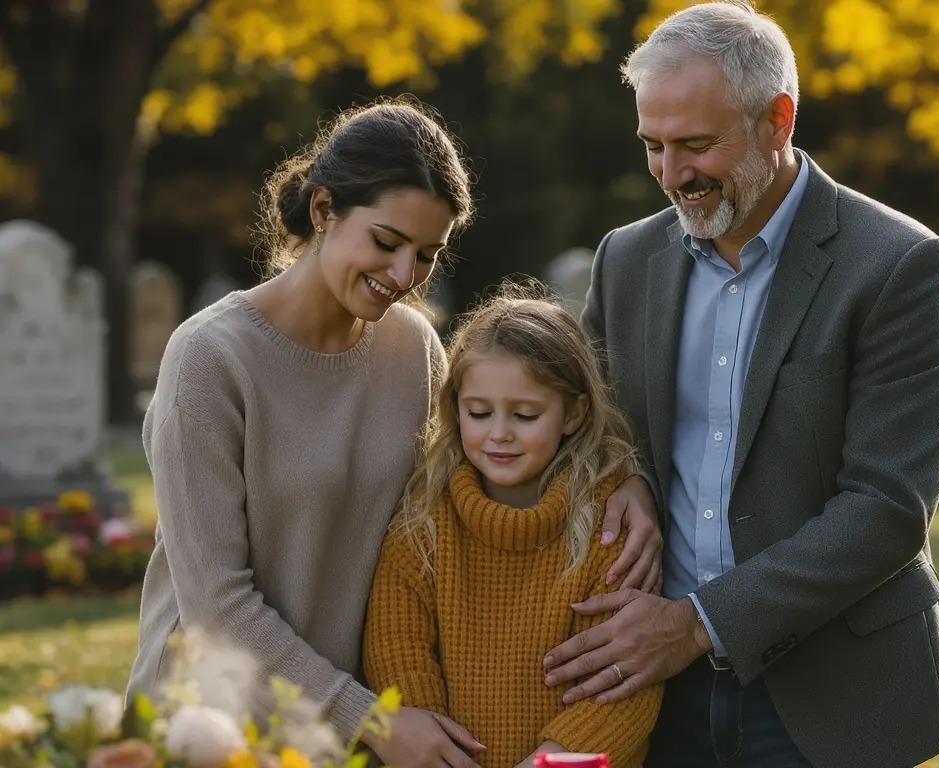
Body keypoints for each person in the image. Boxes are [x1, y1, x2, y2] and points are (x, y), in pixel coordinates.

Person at [126, 99, 661, 768]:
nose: (404, 275)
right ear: (323, 211)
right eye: (385, 242)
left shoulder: (412, 348)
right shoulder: (209, 358)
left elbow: (468, 489)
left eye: (427, 254)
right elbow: (215, 605)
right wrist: (372, 719)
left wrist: (627, 483)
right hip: (218, 727)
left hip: (356, 734)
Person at [540, 4, 939, 768]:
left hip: (831, 696)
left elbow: (885, 510)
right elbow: (594, 429)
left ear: (778, 120)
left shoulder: (901, 266)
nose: (672, 176)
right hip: (649, 691)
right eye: (653, 146)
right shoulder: (627, 259)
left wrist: (698, 624)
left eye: (696, 145)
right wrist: (629, 476)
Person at [363, 290, 662, 768]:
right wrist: (434, 747)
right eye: (479, 413)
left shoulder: (607, 529)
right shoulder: (424, 524)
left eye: (525, 416)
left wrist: (554, 759)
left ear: (574, 413)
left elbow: (627, 680)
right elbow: (396, 646)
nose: (499, 432)